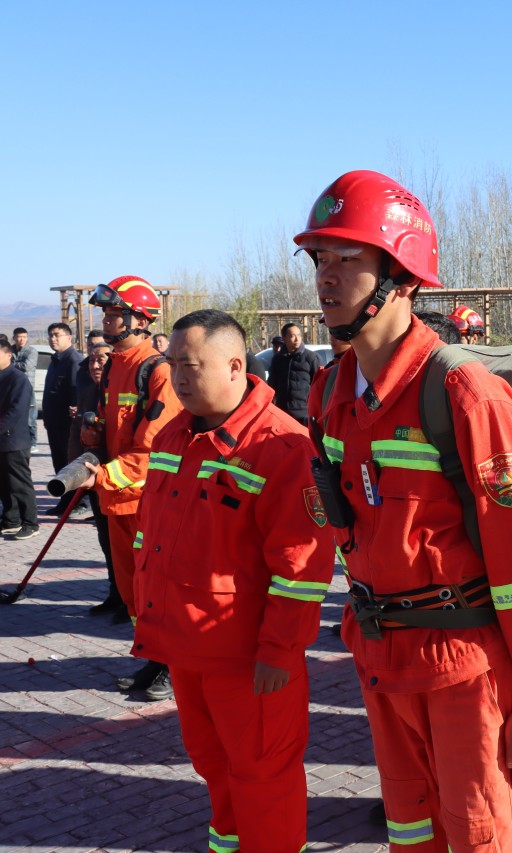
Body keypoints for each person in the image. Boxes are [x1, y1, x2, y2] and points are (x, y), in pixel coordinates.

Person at [300, 169, 512, 851]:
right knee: (411, 834)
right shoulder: (329, 391)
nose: (326, 278)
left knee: (483, 837)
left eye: (347, 260)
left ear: (401, 275)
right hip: (383, 657)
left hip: (466, 670)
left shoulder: (462, 393)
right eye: (319, 260)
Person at [130, 309, 332, 852]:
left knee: (263, 778)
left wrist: (279, 651)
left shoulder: (281, 446)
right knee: (213, 768)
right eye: (172, 365)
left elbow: (302, 567)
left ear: (236, 365)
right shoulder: (174, 435)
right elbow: (153, 537)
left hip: (251, 662)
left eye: (190, 366)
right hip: (188, 650)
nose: (177, 377)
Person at [82, 275, 182, 699]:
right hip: (115, 502)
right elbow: (114, 433)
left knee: (158, 589)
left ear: (140, 320)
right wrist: (92, 436)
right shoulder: (114, 369)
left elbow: (153, 450)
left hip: (147, 504)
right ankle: (153, 658)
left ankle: (173, 666)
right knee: (132, 592)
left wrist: (103, 475)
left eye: (115, 314)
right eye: (105, 313)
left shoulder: (156, 370)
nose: (107, 321)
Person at [70, 342, 121, 616]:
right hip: (94, 477)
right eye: (91, 360)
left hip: (120, 479)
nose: (96, 365)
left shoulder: (124, 391)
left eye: (102, 359)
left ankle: (128, 599)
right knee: (106, 540)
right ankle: (115, 593)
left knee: (125, 547)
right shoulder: (91, 391)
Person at [42, 323, 85, 516]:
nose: (53, 339)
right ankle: (65, 502)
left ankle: (76, 503)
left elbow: (77, 391)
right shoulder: (56, 360)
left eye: (57, 335)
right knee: (59, 464)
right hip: (54, 424)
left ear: (69, 337)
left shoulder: (73, 360)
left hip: (67, 425)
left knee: (70, 464)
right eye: (51, 335)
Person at [0, 337, 39, 539]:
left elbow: (15, 411)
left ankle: (30, 522)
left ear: (8, 355)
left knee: (20, 484)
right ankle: (11, 520)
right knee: (4, 484)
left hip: (14, 440)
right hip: (2, 441)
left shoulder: (17, 378)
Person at [267, 323, 322, 424]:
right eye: (292, 336)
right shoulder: (277, 359)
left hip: (305, 415)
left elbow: (320, 387)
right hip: (282, 414)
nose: (297, 339)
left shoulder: (311, 358)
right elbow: (271, 385)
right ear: (284, 338)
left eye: (299, 335)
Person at [12, 327, 38, 444]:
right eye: (19, 337)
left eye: (24, 337)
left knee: (30, 417)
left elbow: (26, 366)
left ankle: (33, 441)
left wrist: (11, 364)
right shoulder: (10, 350)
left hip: (27, 388)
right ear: (14, 338)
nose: (21, 339)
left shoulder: (32, 351)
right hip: (11, 388)